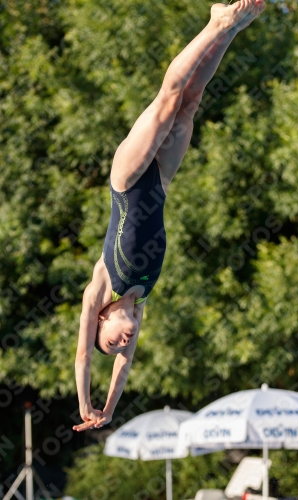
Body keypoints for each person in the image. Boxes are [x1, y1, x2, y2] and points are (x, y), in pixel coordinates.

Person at [73, 0, 265, 432]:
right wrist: (110, 409)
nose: (122, 342)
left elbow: (85, 356)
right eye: (121, 344)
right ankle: (229, 29)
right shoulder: (141, 302)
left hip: (127, 179)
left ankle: (217, 23)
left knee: (168, 100)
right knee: (190, 103)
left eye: (112, 338)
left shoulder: (99, 285)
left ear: (102, 319)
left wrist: (87, 404)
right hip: (159, 181)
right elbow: (123, 366)